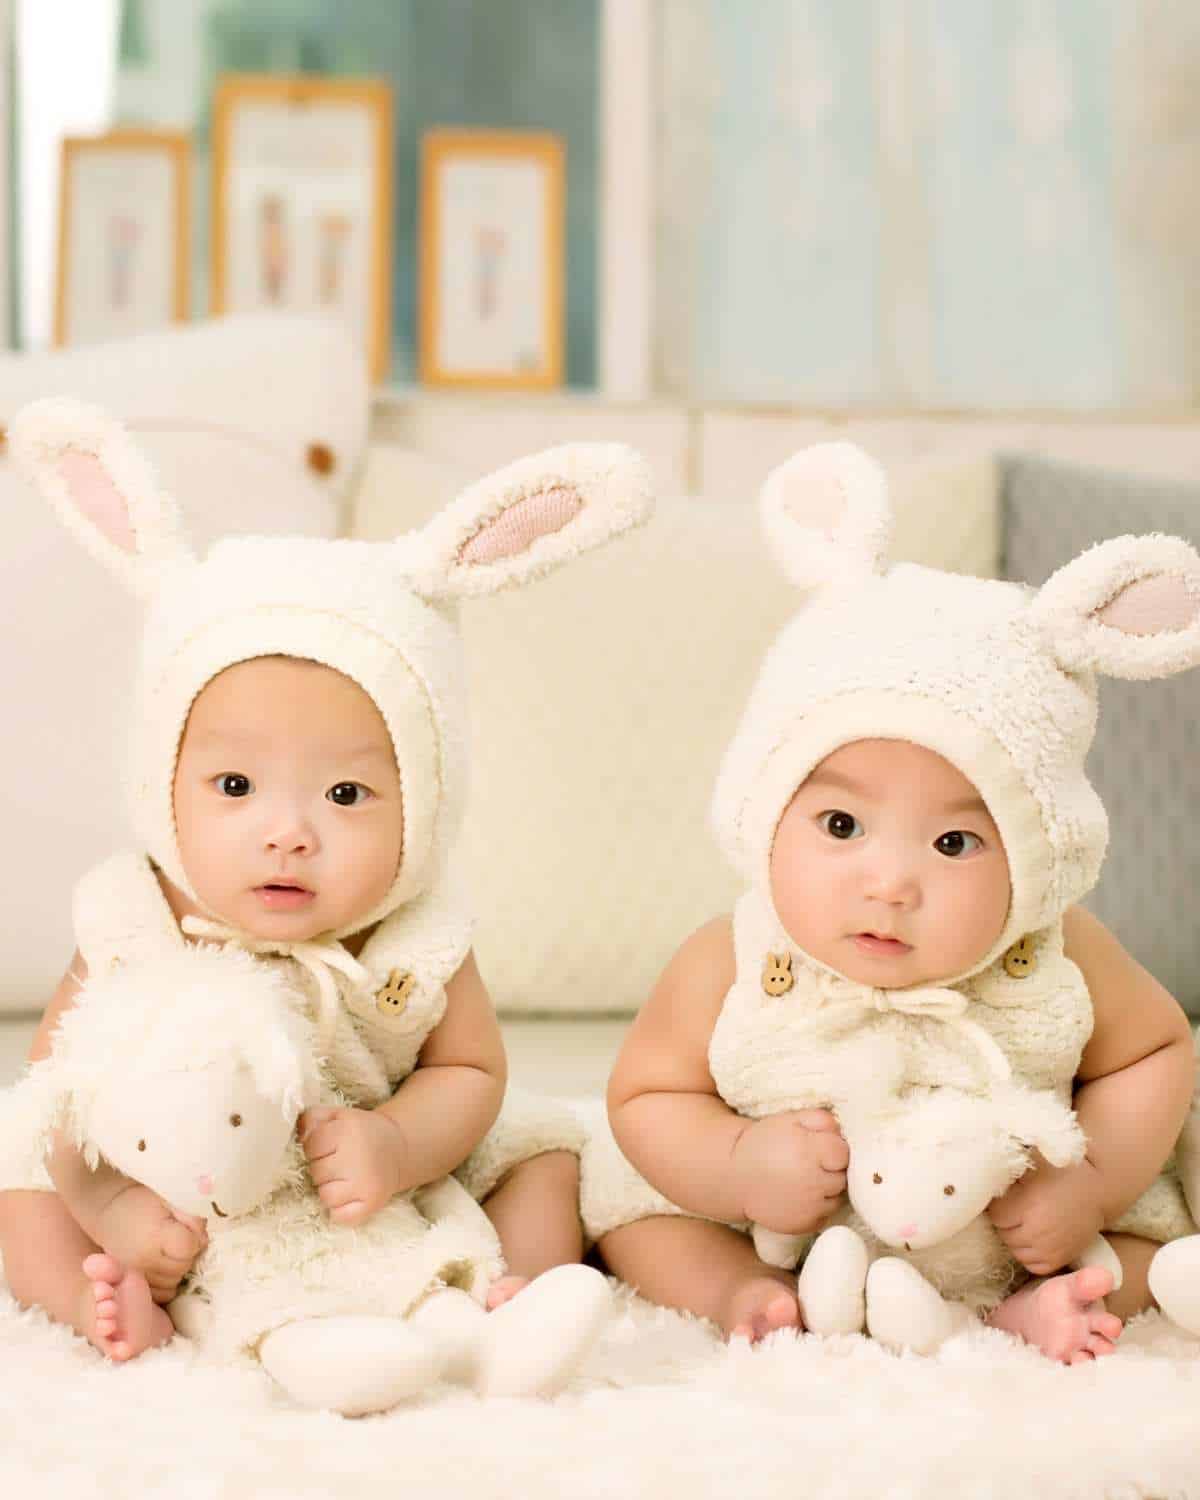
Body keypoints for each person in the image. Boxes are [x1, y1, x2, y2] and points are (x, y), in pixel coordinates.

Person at [0, 397, 652, 1402]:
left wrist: (397, 1143)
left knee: (546, 1151)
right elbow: (62, 1100)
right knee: (23, 1192)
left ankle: (511, 1293)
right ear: (163, 787)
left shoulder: (415, 936)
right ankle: (112, 1298)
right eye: (234, 788)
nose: (288, 831)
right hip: (179, 1189)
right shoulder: (138, 919)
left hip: (371, 1184)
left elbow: (471, 1069)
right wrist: (119, 1210)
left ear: (422, 803)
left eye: (346, 794)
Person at [585, 441, 1200, 1364]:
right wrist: (737, 1166)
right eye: (840, 826)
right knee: (635, 1221)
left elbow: (1156, 1050)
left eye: (955, 843)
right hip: (783, 1235)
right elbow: (646, 1095)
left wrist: (1092, 1189)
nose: (888, 883)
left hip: (1007, 1239)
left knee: (1148, 1246)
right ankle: (748, 1297)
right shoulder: (737, 956)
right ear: (768, 810)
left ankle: (1034, 1308)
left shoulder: (1059, 953)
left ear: (1032, 858)